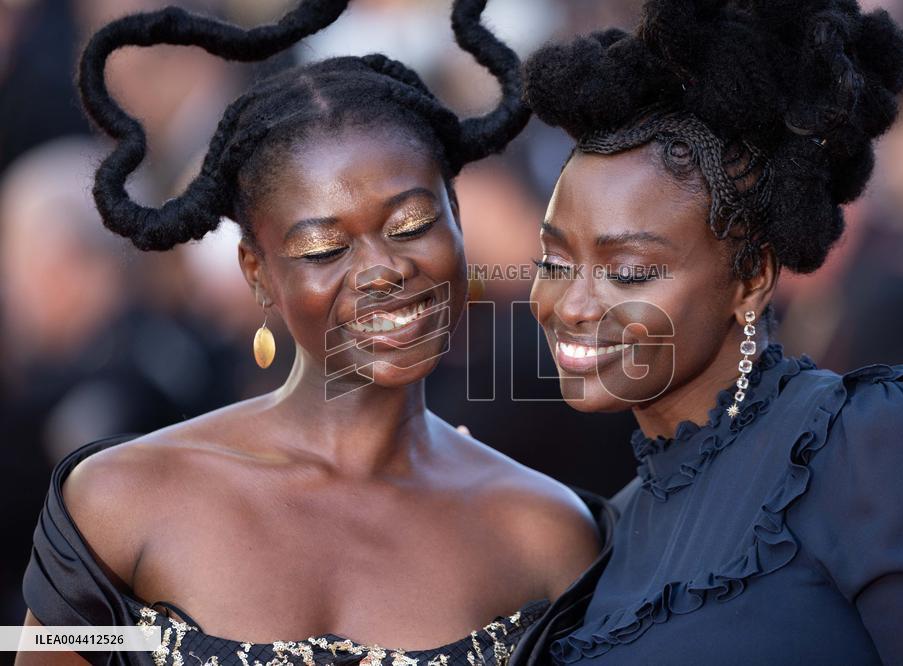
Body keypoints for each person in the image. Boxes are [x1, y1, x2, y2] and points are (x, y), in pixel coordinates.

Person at [19, 2, 606, 664]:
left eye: (412, 226)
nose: (384, 269)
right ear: (258, 273)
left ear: (458, 217)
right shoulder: (119, 500)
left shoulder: (545, 535)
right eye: (324, 248)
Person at [507, 1, 903, 664]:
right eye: (554, 262)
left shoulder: (866, 447)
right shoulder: (613, 527)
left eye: (628, 272)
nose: (570, 304)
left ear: (751, 279)